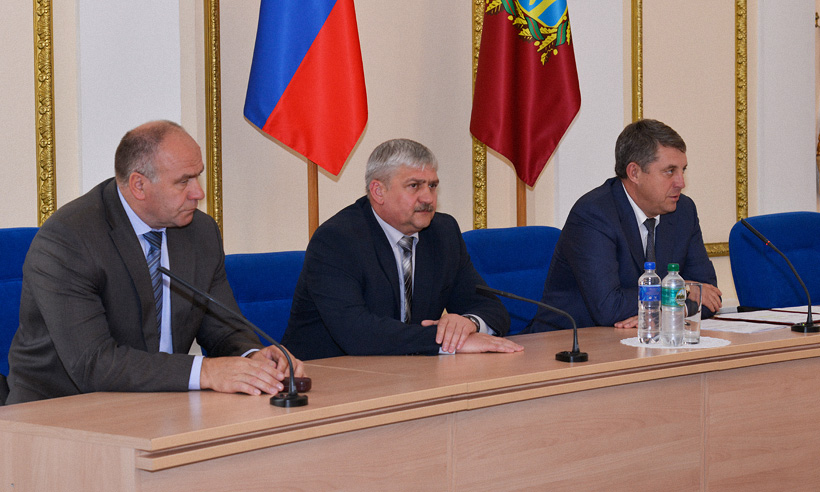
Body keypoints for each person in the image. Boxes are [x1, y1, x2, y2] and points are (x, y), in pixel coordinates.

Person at [5, 120, 304, 404]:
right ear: (139, 185)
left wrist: (253, 358)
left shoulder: (200, 232)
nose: (198, 192)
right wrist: (206, 371)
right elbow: (93, 363)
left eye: (197, 176)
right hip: (61, 411)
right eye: (183, 181)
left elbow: (224, 329)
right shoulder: (69, 240)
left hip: (163, 405)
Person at [281, 138, 523, 360]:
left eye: (432, 185)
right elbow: (356, 332)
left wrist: (469, 324)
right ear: (378, 192)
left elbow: (492, 309)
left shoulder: (443, 232)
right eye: (414, 186)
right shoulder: (337, 240)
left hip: (409, 372)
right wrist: (448, 342)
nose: (428, 198)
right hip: (327, 376)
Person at [526, 119, 721, 332]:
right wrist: (681, 291)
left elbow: (709, 296)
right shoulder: (594, 214)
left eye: (683, 170)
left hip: (639, 338)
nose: (681, 182)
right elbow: (609, 307)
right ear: (634, 173)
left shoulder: (683, 211)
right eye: (669, 171)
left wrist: (662, 313)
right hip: (570, 342)